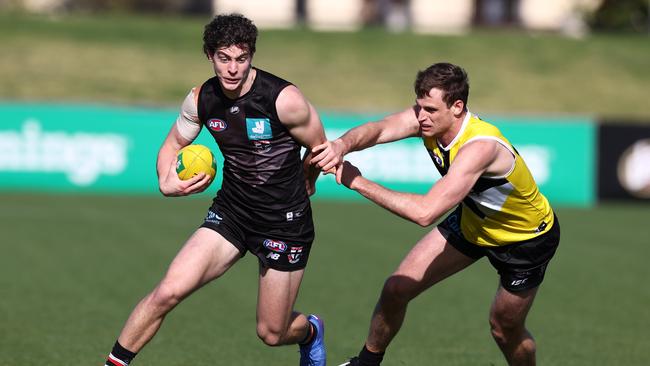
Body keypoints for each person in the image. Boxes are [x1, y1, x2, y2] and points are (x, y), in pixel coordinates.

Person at [104, 14, 327, 366]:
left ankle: (311, 331)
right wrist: (166, 180)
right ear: (210, 56)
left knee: (272, 333)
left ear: (252, 55)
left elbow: (319, 147)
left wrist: (309, 178)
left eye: (241, 59)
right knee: (167, 291)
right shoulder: (200, 99)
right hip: (232, 212)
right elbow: (173, 143)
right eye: (224, 58)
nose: (233, 69)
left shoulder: (285, 100)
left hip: (284, 222)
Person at [311, 62, 560, 366]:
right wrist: (341, 144)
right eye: (419, 107)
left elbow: (425, 212)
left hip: (524, 240)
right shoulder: (427, 120)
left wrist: (357, 181)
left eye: (430, 109)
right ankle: (366, 363)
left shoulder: (480, 147)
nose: (421, 116)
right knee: (396, 289)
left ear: (457, 107)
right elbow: (380, 129)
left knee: (503, 328)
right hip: (473, 222)